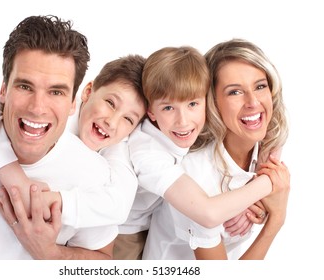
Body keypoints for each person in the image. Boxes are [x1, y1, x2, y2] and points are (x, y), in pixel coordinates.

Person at [0, 15, 125, 259]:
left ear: (72, 104)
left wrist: (50, 254)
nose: (37, 107)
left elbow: (104, 262)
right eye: (25, 86)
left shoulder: (93, 174)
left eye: (56, 91)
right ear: (3, 90)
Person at [114, 46, 273, 260]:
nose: (183, 121)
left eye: (192, 104)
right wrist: (269, 184)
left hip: (156, 217)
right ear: (151, 111)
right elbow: (207, 213)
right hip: (124, 230)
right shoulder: (149, 153)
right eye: (168, 108)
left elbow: (277, 128)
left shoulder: (193, 129)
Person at [0, 54, 147, 229]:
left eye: (128, 119)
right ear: (88, 91)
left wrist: (48, 202)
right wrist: (16, 180)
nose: (112, 122)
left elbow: (119, 206)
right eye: (110, 103)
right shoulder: (60, 106)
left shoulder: (117, 151)